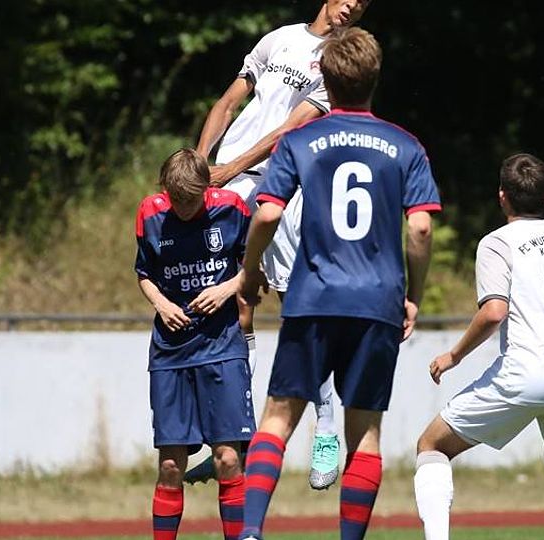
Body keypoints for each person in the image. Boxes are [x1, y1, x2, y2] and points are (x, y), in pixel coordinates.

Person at [237, 28, 441, 540]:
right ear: (375, 77)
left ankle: (250, 532)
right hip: (377, 302)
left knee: (277, 420)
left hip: (313, 296)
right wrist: (413, 295)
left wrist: (249, 269)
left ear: (325, 81)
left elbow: (267, 213)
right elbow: (420, 228)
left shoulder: (299, 140)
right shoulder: (406, 145)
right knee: (365, 432)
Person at [192, 0, 373, 491]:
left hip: (281, 187)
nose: (353, 6)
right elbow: (228, 102)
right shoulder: (279, 38)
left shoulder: (340, 62)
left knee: (301, 312)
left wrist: (232, 167)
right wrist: (201, 163)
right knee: (235, 310)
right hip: (227, 186)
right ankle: (237, 438)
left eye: (362, 3)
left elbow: (289, 131)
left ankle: (327, 430)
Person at [412, 153, 544, 540]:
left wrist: (453, 355)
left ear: (502, 196)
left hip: (523, 374)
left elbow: (494, 312)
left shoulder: (498, 243)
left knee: (432, 445)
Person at [135, 148, 256, 540]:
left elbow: (255, 267)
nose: (183, 209)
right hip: (171, 353)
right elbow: (144, 273)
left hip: (222, 347)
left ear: (206, 188)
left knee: (228, 459)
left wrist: (226, 289)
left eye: (190, 200)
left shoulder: (232, 209)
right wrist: (161, 303)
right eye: (177, 200)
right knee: (171, 465)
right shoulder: (150, 214)